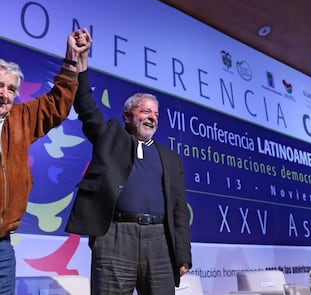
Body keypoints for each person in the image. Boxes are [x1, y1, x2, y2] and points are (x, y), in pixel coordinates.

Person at [65, 41, 192, 295]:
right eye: (145, 111)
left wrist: (182, 254)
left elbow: (179, 210)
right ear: (127, 116)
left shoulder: (170, 157)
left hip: (159, 241)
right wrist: (80, 67)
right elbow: (87, 107)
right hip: (114, 237)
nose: (152, 117)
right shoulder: (111, 135)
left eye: (156, 113)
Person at [0, 28, 92, 294]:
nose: (4, 94)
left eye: (11, 89)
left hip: (3, 247)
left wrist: (72, 57)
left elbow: (57, 102)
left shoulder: (21, 118)